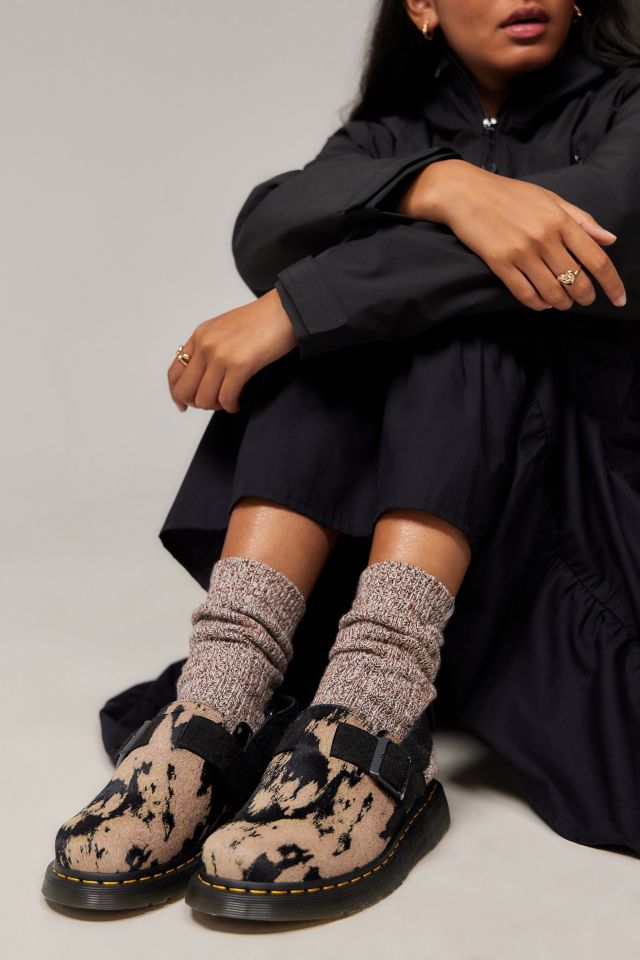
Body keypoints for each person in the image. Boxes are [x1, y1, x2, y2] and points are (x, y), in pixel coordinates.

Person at [43, 0, 640, 922]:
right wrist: (442, 184)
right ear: (423, 6)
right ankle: (223, 698)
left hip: (570, 532)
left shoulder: (628, 101)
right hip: (392, 561)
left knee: (443, 322)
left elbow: (603, 219)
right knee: (344, 331)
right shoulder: (390, 134)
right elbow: (268, 222)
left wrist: (294, 306)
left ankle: (377, 707)